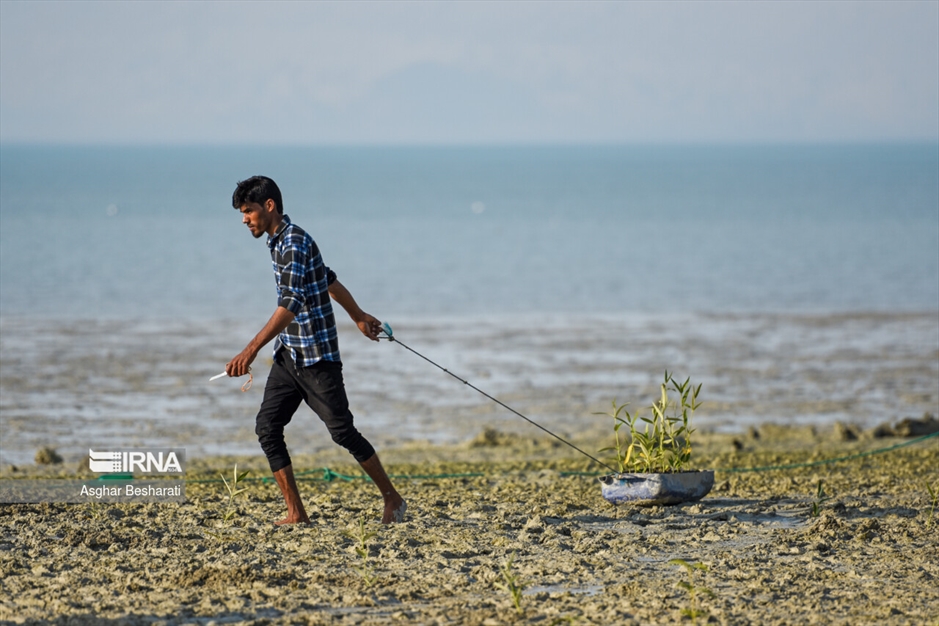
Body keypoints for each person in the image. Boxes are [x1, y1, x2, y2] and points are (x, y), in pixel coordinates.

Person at [225, 175, 406, 525]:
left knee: (342, 433)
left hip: (317, 357)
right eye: (242, 213)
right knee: (267, 427)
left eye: (248, 211)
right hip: (290, 354)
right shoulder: (279, 242)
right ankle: (296, 513)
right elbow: (327, 279)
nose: (244, 219)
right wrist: (358, 316)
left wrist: (248, 351)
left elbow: (290, 303)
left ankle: (393, 498)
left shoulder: (294, 241)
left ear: (269, 206)